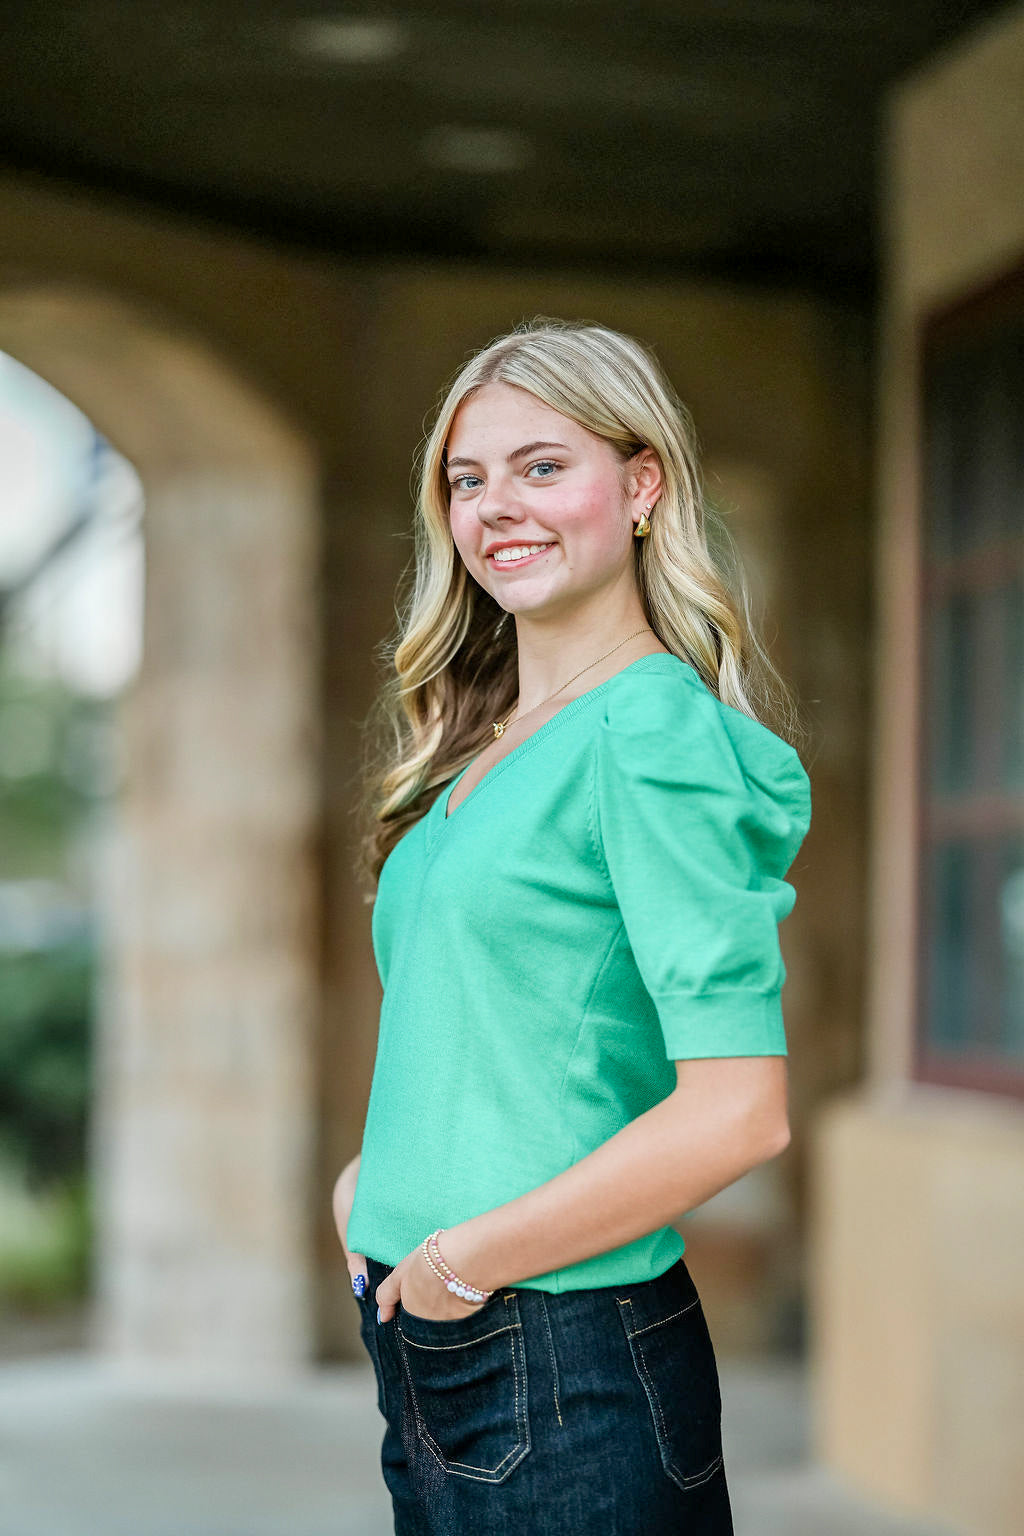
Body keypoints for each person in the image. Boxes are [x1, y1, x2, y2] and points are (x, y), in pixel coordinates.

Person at [332, 316, 812, 1534]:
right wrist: (369, 1192)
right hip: (441, 1344)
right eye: (467, 479)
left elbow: (739, 1110)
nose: (497, 505)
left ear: (641, 485)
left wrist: (459, 1262)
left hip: (556, 1354)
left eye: (542, 466)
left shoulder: (648, 736)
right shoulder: (483, 748)